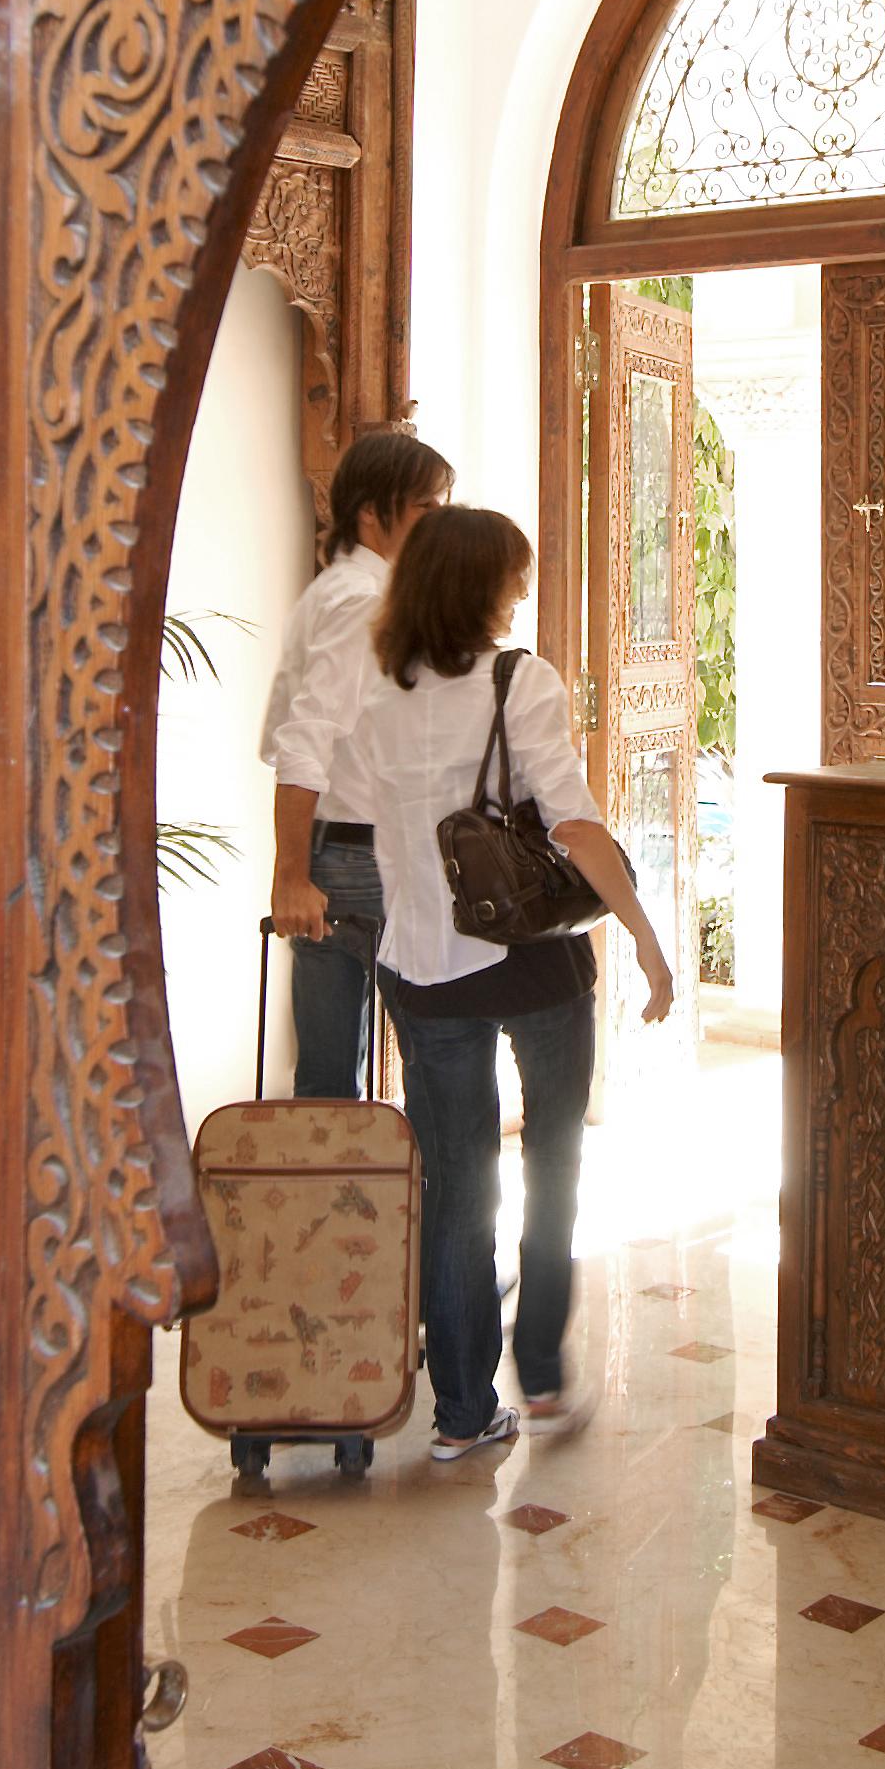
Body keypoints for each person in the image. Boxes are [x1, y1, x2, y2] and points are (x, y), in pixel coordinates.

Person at [286, 505, 675, 1460]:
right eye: (513, 576)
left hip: (422, 969)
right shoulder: (519, 680)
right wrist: (646, 936)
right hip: (535, 962)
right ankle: (539, 1377)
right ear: (479, 586)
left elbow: (357, 818)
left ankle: (462, 1412)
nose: (523, 592)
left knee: (458, 1186)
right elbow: (575, 826)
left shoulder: (379, 695)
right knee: (554, 1167)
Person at [262, 429, 455, 1097]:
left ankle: (343, 1202)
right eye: (428, 507)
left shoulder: (339, 589)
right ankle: (427, 1203)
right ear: (373, 512)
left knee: (329, 1078)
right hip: (361, 858)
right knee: (439, 1060)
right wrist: (290, 873)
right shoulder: (363, 601)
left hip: (340, 851)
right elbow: (304, 736)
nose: (441, 520)